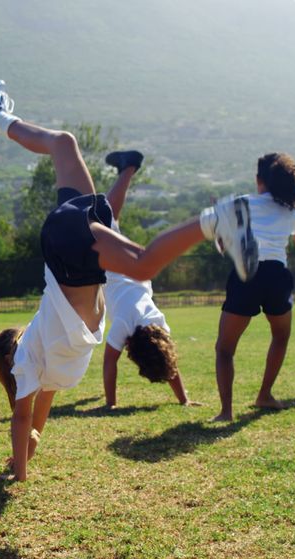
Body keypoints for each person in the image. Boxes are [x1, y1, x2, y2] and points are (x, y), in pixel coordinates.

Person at [0, 79, 257, 481]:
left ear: (9, 361)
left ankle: (214, 222)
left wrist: (18, 475)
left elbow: (22, 422)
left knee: (141, 265)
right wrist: (22, 459)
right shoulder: (46, 376)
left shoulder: (27, 364)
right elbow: (34, 427)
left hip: (68, 258)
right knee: (64, 144)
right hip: (77, 264)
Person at [211, 153, 295, 422]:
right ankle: (264, 394)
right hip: (277, 275)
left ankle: (226, 411)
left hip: (247, 273)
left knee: (225, 348)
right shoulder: (290, 210)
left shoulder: (240, 204)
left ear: (258, 180)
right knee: (280, 336)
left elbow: (222, 245)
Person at [99, 150, 201, 409]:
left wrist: (184, 399)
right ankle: (129, 166)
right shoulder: (124, 324)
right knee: (102, 217)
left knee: (108, 217)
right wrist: (110, 404)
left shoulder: (159, 325)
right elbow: (109, 361)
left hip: (133, 271)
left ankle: (127, 168)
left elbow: (169, 361)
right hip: (112, 266)